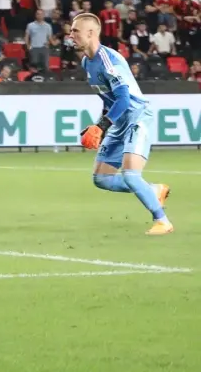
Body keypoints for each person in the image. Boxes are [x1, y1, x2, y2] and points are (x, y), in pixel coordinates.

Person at [71, 13, 172, 236]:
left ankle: (162, 221)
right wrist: (99, 124)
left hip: (136, 116)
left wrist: (102, 127)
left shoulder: (108, 60)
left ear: (91, 33)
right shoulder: (87, 62)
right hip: (119, 121)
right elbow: (109, 100)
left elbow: (124, 99)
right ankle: (154, 190)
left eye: (75, 31)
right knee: (101, 178)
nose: (71, 35)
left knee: (130, 175)